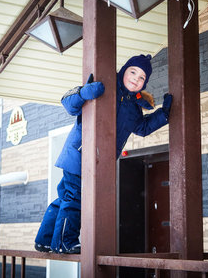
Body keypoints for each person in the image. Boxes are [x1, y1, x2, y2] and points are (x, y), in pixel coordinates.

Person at [34, 54, 173, 254]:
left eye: (142, 77)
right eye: (133, 72)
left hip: (99, 161)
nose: (136, 78)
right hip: (80, 155)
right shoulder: (104, 86)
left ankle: (45, 240)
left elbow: (142, 128)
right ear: (124, 70)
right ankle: (65, 241)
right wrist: (84, 93)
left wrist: (164, 114)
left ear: (144, 84)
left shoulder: (134, 108)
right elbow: (68, 104)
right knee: (74, 199)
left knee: (65, 198)